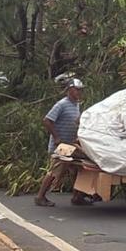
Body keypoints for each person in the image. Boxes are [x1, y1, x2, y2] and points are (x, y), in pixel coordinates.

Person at [34, 74, 90, 207]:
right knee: (56, 171)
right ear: (70, 89)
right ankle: (40, 197)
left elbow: (73, 122)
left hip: (70, 145)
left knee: (80, 168)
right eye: (77, 89)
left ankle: (77, 197)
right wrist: (57, 137)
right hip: (61, 146)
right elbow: (47, 121)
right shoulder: (62, 104)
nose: (79, 92)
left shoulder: (75, 105)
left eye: (81, 90)